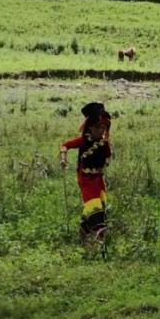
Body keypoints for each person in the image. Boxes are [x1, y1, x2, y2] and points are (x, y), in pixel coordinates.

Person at [59, 102, 112, 240]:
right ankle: (99, 233)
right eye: (98, 127)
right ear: (90, 127)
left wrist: (105, 163)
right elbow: (65, 145)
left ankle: (85, 231)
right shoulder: (83, 141)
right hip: (85, 178)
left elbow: (108, 155)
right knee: (93, 204)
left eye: (104, 127)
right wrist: (63, 159)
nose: (101, 130)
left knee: (101, 204)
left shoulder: (104, 143)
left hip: (98, 179)